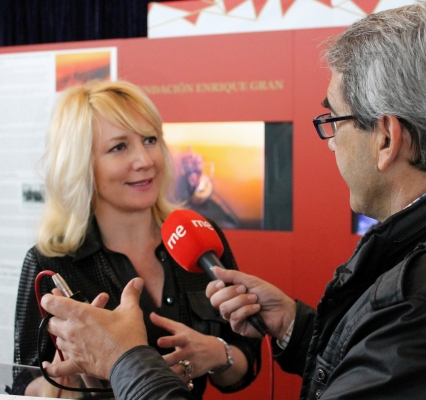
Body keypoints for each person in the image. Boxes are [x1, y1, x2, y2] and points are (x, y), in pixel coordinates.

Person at [39, 2, 426, 399]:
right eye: (119, 147)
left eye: (333, 119)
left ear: (386, 139)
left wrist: (126, 362)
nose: (331, 141)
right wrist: (295, 325)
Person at [13, 80, 261, 398]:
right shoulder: (49, 260)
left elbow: (244, 364)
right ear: (82, 164)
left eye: (150, 140)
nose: (145, 160)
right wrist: (57, 388)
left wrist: (216, 352)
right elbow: (23, 381)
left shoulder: (200, 234)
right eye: (119, 147)